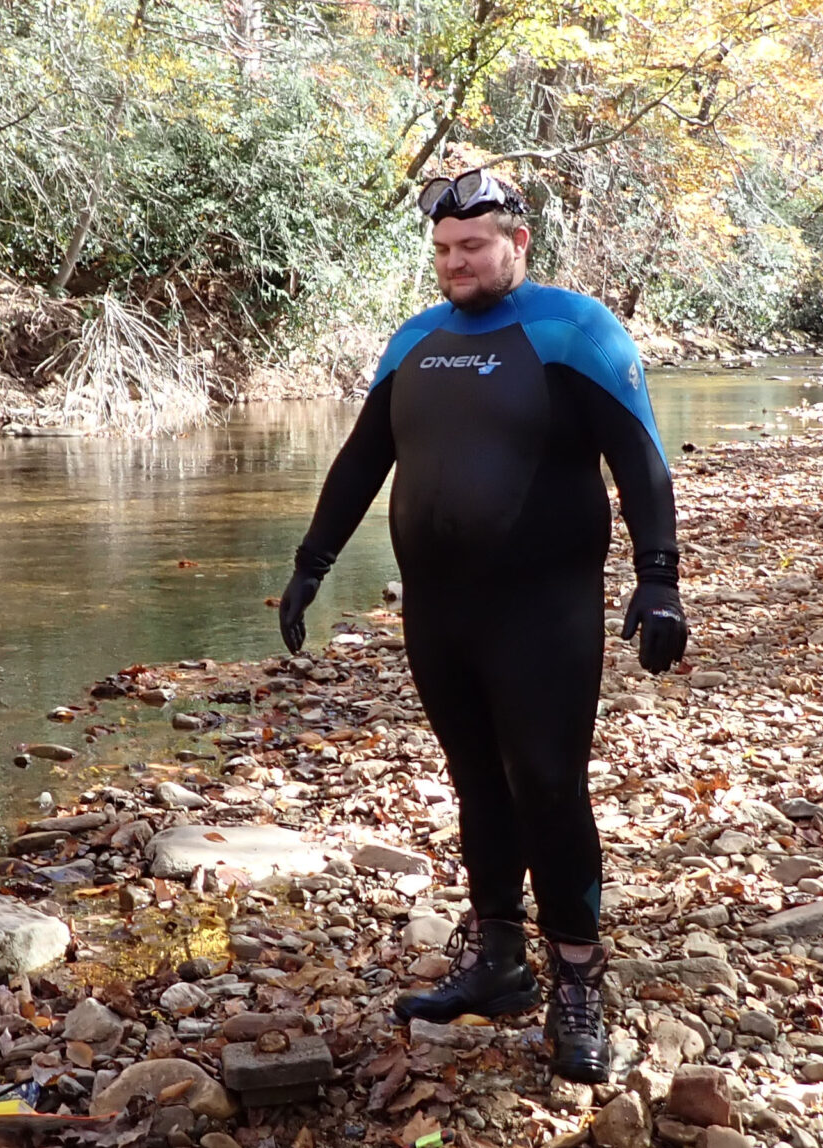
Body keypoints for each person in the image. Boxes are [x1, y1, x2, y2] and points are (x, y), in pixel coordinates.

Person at [277, 168, 686, 1083]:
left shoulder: (574, 330)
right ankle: (499, 961)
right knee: (475, 782)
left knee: (546, 782)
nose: (456, 264)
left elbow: (642, 460)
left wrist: (659, 581)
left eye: (473, 247)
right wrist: (310, 565)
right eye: (444, 251)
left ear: (517, 244)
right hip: (440, 610)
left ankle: (579, 973)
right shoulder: (416, 340)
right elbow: (360, 460)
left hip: (543, 608)